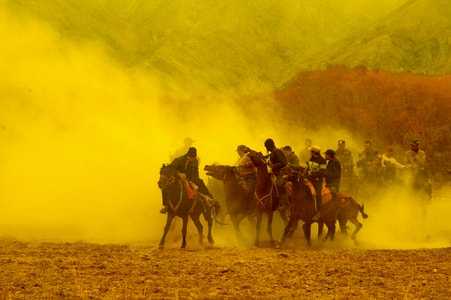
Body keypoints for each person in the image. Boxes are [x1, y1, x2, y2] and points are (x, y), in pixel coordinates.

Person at [161, 147, 215, 214]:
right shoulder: (179, 160)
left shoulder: (195, 161)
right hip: (178, 179)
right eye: (190, 157)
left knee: (200, 181)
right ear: (187, 155)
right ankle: (166, 206)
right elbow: (170, 168)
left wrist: (196, 179)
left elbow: (196, 171)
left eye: (193, 158)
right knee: (165, 187)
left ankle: (209, 198)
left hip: (190, 179)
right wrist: (179, 174)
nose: (192, 159)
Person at [264, 138, 288, 210]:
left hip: (281, 173)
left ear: (269, 146)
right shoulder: (273, 152)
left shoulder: (277, 151)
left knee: (279, 184)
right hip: (275, 173)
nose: (266, 149)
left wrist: (272, 166)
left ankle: (285, 203)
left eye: (266, 147)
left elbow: (283, 163)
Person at [307, 145, 326, 220]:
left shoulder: (322, 160)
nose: (310, 153)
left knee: (318, 194)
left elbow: (322, 172)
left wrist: (312, 173)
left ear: (314, 152)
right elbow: (309, 168)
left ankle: (319, 211)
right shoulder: (311, 158)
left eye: (311, 151)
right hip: (310, 179)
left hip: (317, 180)